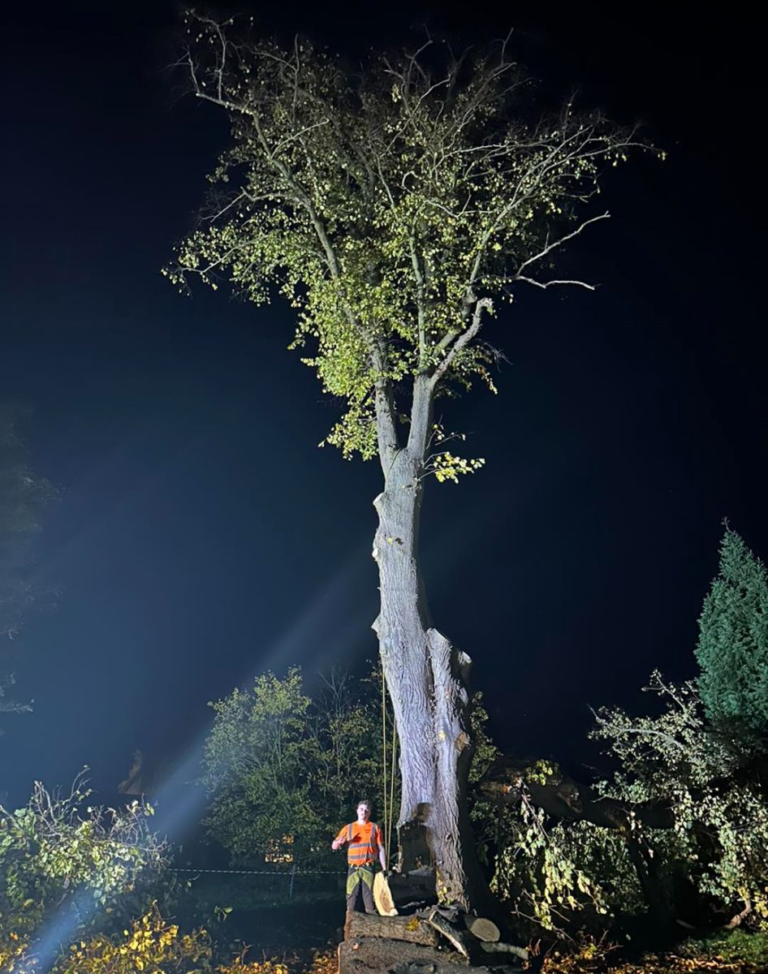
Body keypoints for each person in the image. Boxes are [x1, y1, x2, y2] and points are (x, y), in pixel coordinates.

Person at [332, 800, 387, 914]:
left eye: (367, 810)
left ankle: (371, 921)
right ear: (357, 811)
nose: (364, 812)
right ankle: (350, 920)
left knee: (369, 897)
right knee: (351, 897)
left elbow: (381, 849)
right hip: (353, 868)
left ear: (369, 813)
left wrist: (384, 868)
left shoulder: (374, 828)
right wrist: (338, 843)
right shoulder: (349, 828)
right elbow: (334, 846)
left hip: (368, 867)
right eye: (361, 809)